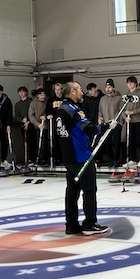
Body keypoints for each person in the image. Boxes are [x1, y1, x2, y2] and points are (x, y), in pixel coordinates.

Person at [55, 82, 113, 235]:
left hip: (69, 158)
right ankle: (90, 223)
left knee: (72, 192)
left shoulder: (60, 110)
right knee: (89, 190)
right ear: (73, 91)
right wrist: (107, 126)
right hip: (81, 156)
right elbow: (89, 128)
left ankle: (71, 224)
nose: (82, 92)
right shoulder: (72, 110)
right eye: (80, 89)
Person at [98, 79, 123, 168]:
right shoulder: (102, 99)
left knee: (115, 143)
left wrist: (120, 123)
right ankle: (111, 159)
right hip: (106, 124)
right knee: (107, 143)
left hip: (116, 123)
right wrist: (100, 118)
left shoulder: (119, 98)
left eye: (110, 87)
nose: (108, 89)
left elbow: (121, 110)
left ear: (113, 88)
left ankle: (116, 159)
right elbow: (100, 110)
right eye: (106, 87)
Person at [122, 76, 140, 165]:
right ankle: (132, 159)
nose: (129, 84)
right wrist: (125, 117)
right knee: (130, 140)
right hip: (129, 121)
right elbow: (122, 108)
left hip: (138, 120)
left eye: (131, 82)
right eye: (128, 83)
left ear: (135, 83)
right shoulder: (126, 95)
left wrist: (133, 112)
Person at [13, 86, 35, 166]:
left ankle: (33, 158)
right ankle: (27, 158)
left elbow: (34, 113)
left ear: (26, 93)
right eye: (20, 92)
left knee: (32, 142)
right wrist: (22, 120)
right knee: (25, 142)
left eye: (23, 91)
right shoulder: (17, 104)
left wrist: (28, 121)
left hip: (32, 124)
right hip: (23, 126)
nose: (21, 93)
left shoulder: (31, 101)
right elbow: (16, 116)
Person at [45, 83, 65, 165]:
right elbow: (47, 110)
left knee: (64, 140)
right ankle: (56, 159)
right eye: (56, 89)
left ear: (62, 90)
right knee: (55, 141)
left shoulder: (66, 99)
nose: (57, 91)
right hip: (54, 123)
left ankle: (64, 159)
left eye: (59, 89)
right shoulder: (51, 100)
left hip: (64, 123)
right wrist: (48, 115)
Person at [28, 88, 48, 166]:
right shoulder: (33, 103)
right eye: (41, 95)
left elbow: (49, 111)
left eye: (44, 95)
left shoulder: (47, 102)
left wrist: (45, 116)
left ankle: (46, 160)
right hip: (37, 127)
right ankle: (39, 159)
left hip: (47, 126)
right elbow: (30, 115)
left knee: (46, 143)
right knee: (39, 143)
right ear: (37, 96)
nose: (43, 96)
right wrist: (38, 124)